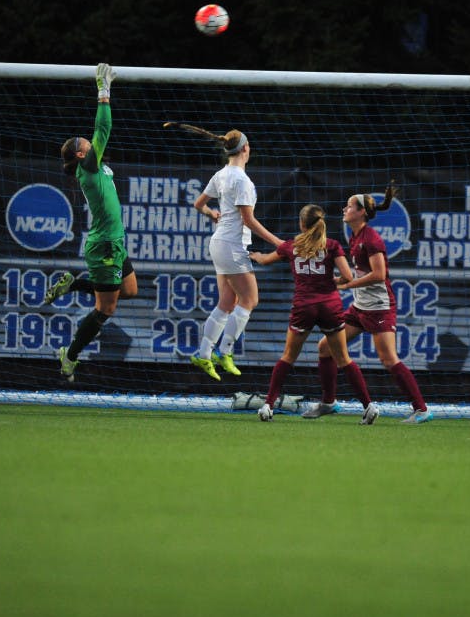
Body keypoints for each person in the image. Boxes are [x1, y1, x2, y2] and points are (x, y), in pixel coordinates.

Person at [302, 183, 433, 424]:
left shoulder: (371, 239)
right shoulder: (355, 236)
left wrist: (346, 285)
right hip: (360, 307)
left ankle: (421, 409)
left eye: (350, 205)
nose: (345, 208)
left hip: (379, 307)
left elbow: (379, 274)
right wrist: (335, 281)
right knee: (325, 347)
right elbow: (359, 273)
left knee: (388, 359)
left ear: (361, 212)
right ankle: (329, 403)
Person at [164, 120, 282, 381]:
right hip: (232, 244)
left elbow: (198, 204)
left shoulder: (221, 174)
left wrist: (211, 212)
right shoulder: (242, 181)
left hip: (218, 242)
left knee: (227, 302)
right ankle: (225, 352)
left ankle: (204, 354)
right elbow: (249, 220)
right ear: (246, 149)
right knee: (250, 300)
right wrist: (278, 243)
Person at [250, 204, 379, 424]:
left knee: (288, 356)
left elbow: (265, 260)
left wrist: (255, 255)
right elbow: (348, 277)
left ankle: (268, 406)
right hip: (330, 306)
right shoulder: (332, 245)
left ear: (302, 224)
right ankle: (368, 406)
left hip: (304, 307)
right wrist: (332, 281)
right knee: (343, 359)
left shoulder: (292, 246)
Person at [55, 63, 132, 382]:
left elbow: (98, 137)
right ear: (79, 155)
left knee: (129, 290)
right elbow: (103, 130)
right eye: (84, 143)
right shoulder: (87, 167)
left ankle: (75, 283)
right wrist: (104, 91)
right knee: (107, 309)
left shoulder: (91, 167)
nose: (90, 142)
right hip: (104, 246)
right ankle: (69, 355)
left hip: (114, 241)